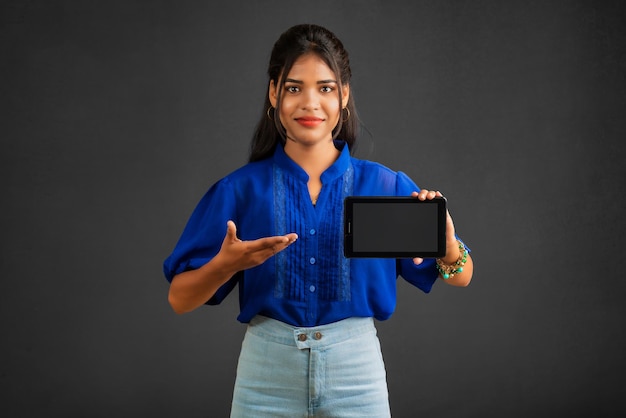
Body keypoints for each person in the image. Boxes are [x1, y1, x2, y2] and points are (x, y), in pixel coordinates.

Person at [163, 23, 473, 418]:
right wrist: (227, 264)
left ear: (344, 95)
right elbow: (179, 299)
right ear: (274, 93)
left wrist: (447, 247)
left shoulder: (384, 184)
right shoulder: (238, 191)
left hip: (356, 374)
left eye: (325, 88)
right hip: (265, 375)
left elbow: (462, 274)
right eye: (294, 88)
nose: (310, 102)